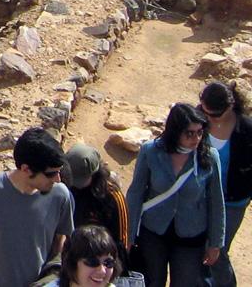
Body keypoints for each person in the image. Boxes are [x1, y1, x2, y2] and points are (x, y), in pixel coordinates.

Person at [0, 126, 75, 287]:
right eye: (51, 174)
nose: (58, 179)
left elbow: (60, 244)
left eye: (59, 172)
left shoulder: (60, 196)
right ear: (26, 169)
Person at [126, 103, 225, 287]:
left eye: (199, 132)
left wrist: (215, 243)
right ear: (175, 131)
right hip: (154, 232)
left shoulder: (209, 157)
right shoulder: (150, 151)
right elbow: (135, 194)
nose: (196, 138)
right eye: (189, 133)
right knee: (152, 282)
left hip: (191, 235)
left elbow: (216, 202)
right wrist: (128, 236)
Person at [199, 80, 252, 287]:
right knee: (196, 249)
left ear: (229, 107)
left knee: (217, 249)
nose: (208, 118)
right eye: (206, 112)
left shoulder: (247, 130)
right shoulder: (196, 120)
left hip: (233, 202)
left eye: (214, 115)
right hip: (199, 197)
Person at [62, 143, 130, 261]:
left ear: (95, 173)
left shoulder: (112, 196)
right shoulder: (64, 188)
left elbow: (121, 240)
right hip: (71, 257)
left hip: (99, 260)